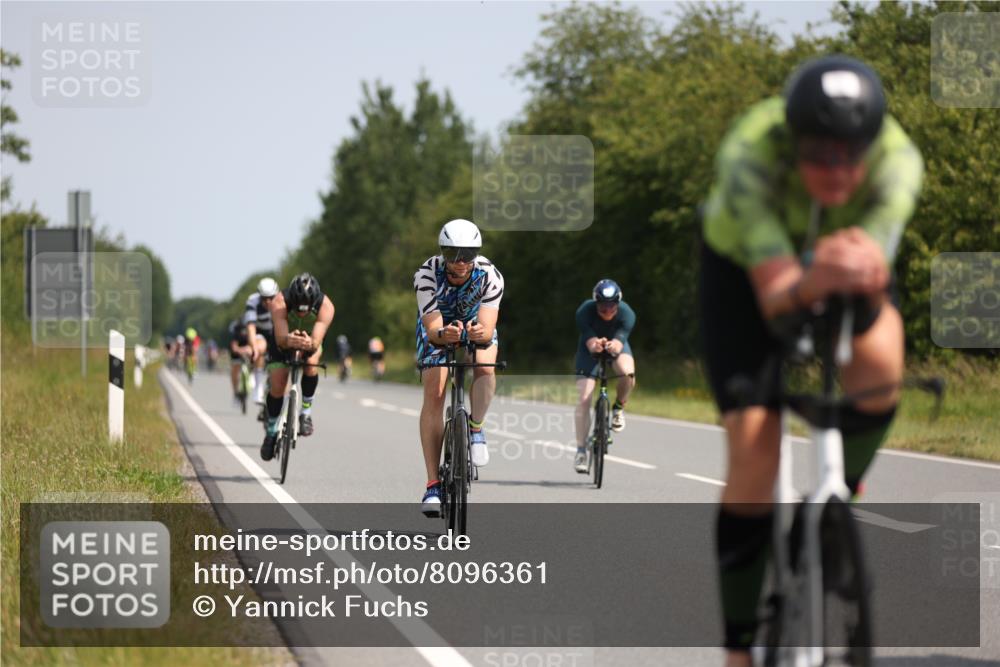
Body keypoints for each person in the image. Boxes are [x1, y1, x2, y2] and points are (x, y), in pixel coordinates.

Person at [699, 55, 923, 665]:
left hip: (845, 262)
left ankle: (835, 499)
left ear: (872, 146)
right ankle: (738, 646)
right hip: (746, 273)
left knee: (880, 366)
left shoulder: (899, 163)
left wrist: (855, 270)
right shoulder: (750, 152)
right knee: (753, 449)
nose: (836, 169)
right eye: (819, 153)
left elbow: (872, 271)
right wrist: (813, 275)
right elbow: (776, 295)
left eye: (851, 154)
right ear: (793, 140)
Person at [413, 219, 504, 517]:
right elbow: (433, 329)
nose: (461, 262)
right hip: (438, 326)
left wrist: (479, 334)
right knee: (435, 392)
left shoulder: (490, 275)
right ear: (443, 251)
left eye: (468, 254)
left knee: (485, 367)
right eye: (453, 253)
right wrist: (443, 336)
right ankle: (433, 485)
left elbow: (488, 328)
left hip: (476, 322)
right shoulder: (426, 274)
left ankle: (476, 428)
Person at [259, 273, 335, 461]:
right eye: (298, 309)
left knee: (311, 364)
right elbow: (280, 339)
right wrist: (288, 340)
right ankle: (270, 431)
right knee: (278, 383)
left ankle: (306, 413)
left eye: (306, 309)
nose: (302, 313)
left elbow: (316, 341)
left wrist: (310, 343)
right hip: (282, 340)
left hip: (310, 340)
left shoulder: (326, 306)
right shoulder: (279, 302)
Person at [572, 279, 636, 473]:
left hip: (616, 345)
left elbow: (619, 343)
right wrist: (595, 344)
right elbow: (590, 342)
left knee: (627, 374)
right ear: (595, 302)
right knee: (584, 399)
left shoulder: (627, 314)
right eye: (602, 306)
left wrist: (613, 345)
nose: (607, 310)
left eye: (612, 306)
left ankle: (618, 408)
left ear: (618, 303)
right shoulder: (584, 311)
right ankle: (581, 451)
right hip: (589, 349)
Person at [245, 277, 280, 406]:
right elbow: (251, 326)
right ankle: (258, 387)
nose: (268, 301)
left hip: (276, 332)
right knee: (259, 348)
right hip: (260, 332)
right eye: (264, 298)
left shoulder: (282, 301)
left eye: (271, 298)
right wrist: (253, 346)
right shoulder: (252, 301)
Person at [228, 318, 253, 403]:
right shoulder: (236, 332)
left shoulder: (253, 330)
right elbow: (234, 346)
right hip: (236, 354)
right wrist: (239, 350)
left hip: (248, 352)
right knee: (235, 369)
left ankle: (252, 377)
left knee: (253, 361)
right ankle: (235, 391)